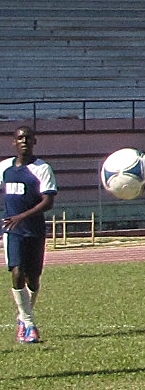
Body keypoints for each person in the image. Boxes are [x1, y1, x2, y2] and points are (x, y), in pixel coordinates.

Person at [0, 126, 57, 343]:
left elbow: (48, 201)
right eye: (20, 138)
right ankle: (28, 323)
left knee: (33, 279)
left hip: (34, 230)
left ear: (35, 141)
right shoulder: (4, 168)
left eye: (28, 138)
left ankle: (23, 318)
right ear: (13, 142)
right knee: (17, 272)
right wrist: (13, 220)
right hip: (12, 231)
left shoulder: (42, 169)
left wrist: (21, 216)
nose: (24, 141)